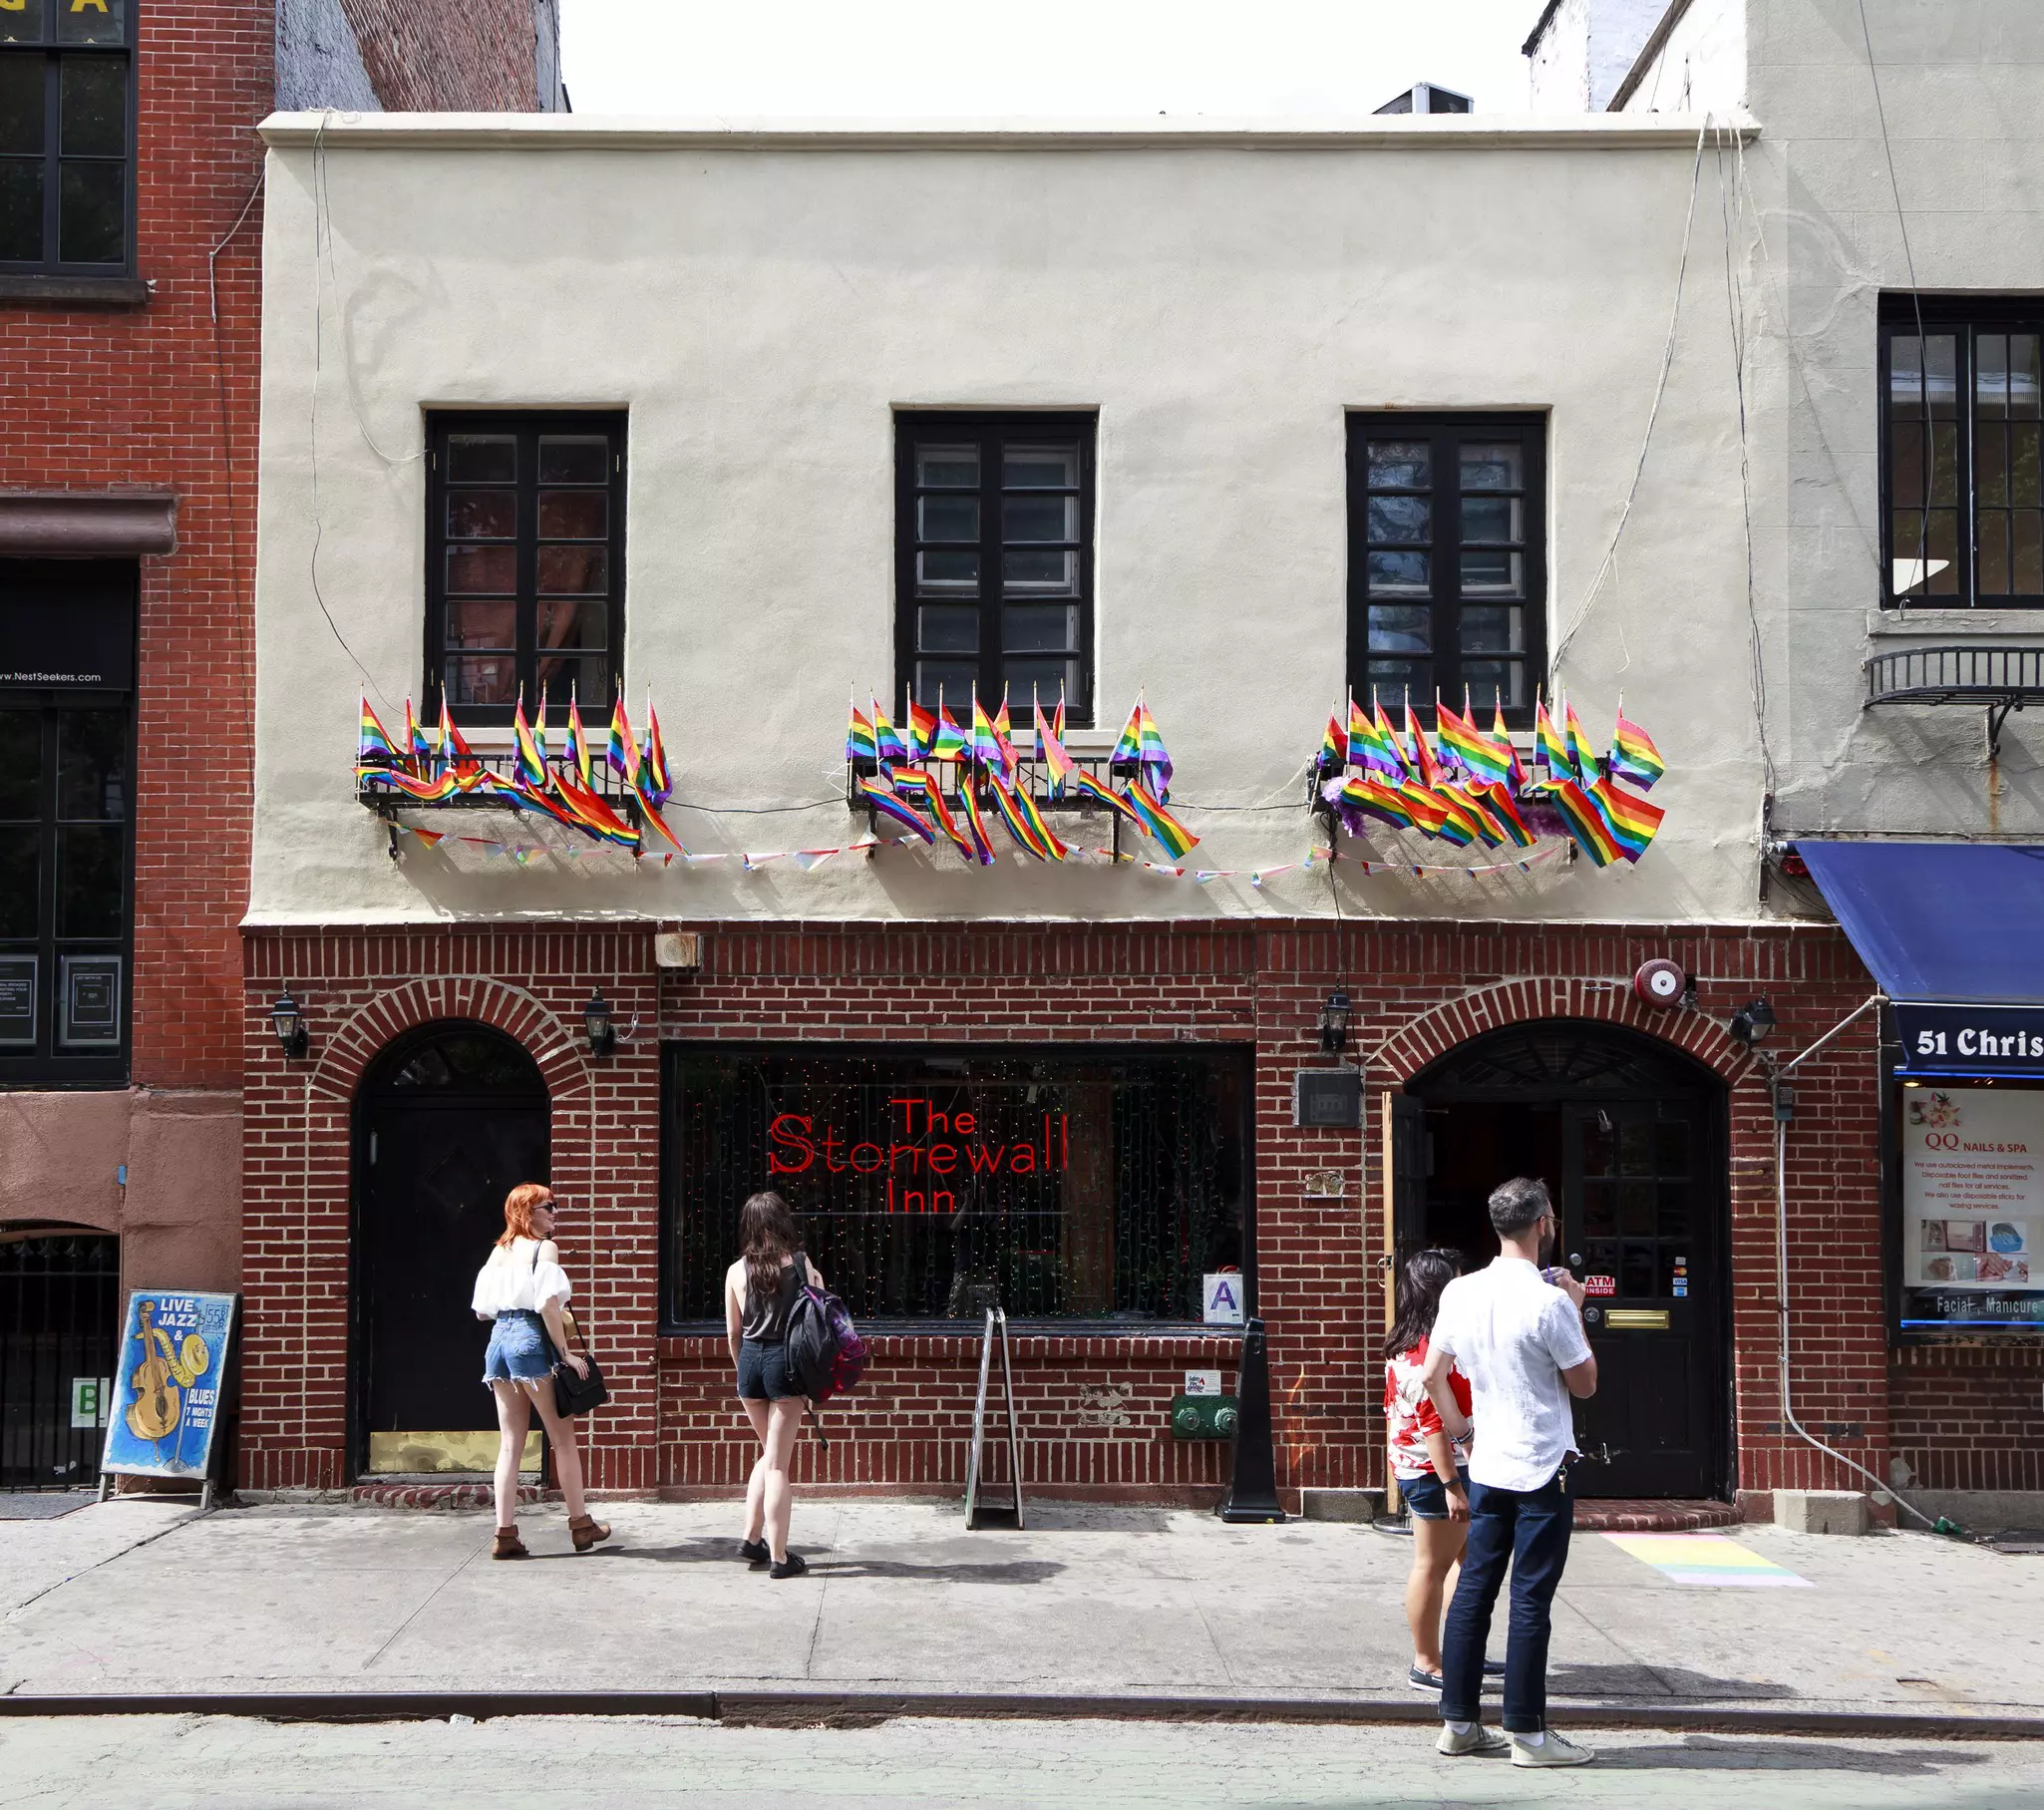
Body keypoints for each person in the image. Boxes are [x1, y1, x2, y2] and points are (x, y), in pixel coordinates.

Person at [1421, 1176, 1598, 1768]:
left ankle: (1459, 1724)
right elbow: (1586, 1383)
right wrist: (1576, 1309)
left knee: (1473, 1591)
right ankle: (1528, 1734)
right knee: (1530, 1600)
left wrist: (1463, 1434)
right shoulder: (1550, 1302)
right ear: (1544, 1222)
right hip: (1543, 1464)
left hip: (1488, 1462)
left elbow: (1431, 1376)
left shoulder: (1460, 1293)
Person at [471, 1182, 611, 1560]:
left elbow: (484, 1310)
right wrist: (566, 1354)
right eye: (548, 1206)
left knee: (510, 1443)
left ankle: (505, 1534)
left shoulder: (498, 1252)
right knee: (562, 1437)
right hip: (531, 1336)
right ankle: (581, 1525)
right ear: (527, 1211)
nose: (555, 1213)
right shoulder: (544, 1247)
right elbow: (549, 1305)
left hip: (499, 1341)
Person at [1384, 1247, 1502, 1692]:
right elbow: (1434, 1426)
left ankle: (1457, 1650)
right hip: (1438, 1472)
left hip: (1421, 1467)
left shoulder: (1408, 1342)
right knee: (1432, 1566)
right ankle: (1427, 1663)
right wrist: (1453, 1484)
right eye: (1457, 1280)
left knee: (1467, 1562)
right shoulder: (1431, 1352)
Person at [725, 1190, 823, 1580]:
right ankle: (781, 1557)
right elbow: (819, 1316)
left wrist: (742, 1368)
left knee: (768, 1453)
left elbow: (733, 1331)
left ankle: (751, 1538)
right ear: (783, 1221)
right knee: (779, 1465)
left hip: (749, 1360)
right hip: (786, 1364)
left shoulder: (736, 1270)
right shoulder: (799, 1263)